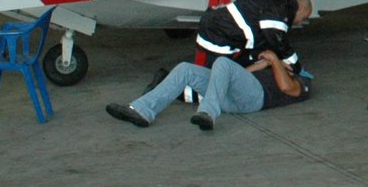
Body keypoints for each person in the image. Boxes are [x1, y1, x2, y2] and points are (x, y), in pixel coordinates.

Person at [107, 48, 310, 130]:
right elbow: (232, 74)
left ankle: (208, 113)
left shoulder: (302, 82)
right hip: (232, 97)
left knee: (222, 62)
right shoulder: (267, 71)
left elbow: (286, 88)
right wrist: (261, 65)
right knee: (185, 69)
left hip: (256, 99)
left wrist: (275, 60)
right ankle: (142, 111)